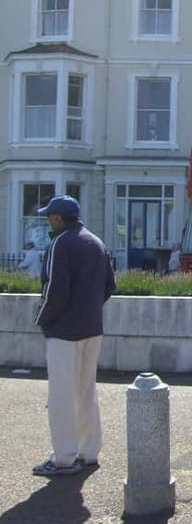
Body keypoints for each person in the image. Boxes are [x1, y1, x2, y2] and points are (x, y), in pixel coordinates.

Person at [32, 195, 116, 476]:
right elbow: (109, 285)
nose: (48, 221)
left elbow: (55, 290)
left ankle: (63, 458)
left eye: (49, 217)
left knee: (61, 395)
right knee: (86, 390)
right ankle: (89, 451)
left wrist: (43, 319)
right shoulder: (96, 242)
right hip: (92, 327)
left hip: (64, 330)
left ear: (57, 218)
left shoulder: (61, 243)